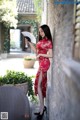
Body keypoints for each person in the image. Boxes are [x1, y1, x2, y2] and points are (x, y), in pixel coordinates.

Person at [27, 24, 53, 119]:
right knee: (40, 85)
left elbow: (51, 55)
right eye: (39, 31)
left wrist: (41, 54)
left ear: (46, 31)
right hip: (41, 63)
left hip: (45, 64)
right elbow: (36, 52)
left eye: (42, 31)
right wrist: (30, 43)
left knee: (38, 84)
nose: (40, 33)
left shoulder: (49, 42)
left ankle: (42, 109)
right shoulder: (41, 41)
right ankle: (42, 107)